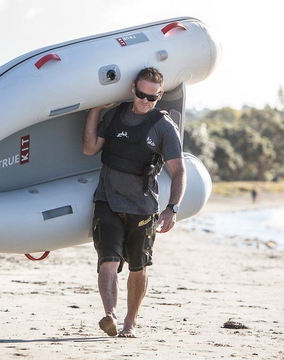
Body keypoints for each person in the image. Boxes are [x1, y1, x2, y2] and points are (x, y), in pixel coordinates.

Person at [82, 67, 186, 338]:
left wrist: (172, 208)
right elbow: (90, 148)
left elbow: (179, 171)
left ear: (159, 95)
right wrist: (95, 110)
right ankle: (111, 315)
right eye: (141, 94)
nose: (145, 101)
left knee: (138, 267)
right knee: (108, 260)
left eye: (151, 97)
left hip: (142, 208)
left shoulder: (163, 126)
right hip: (107, 200)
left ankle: (130, 321)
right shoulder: (115, 115)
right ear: (133, 89)